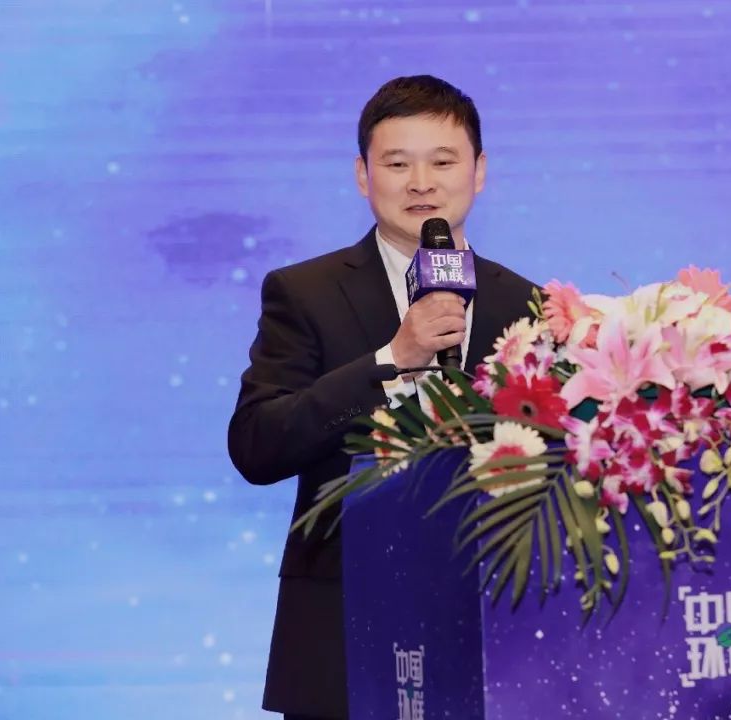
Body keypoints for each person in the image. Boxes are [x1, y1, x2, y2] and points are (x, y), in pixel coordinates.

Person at [227, 75, 538, 720]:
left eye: (442, 162)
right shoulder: (304, 292)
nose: (421, 183)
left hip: (496, 631)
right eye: (397, 164)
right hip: (343, 632)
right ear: (362, 176)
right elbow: (257, 445)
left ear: (479, 172)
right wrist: (392, 359)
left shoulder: (528, 304)